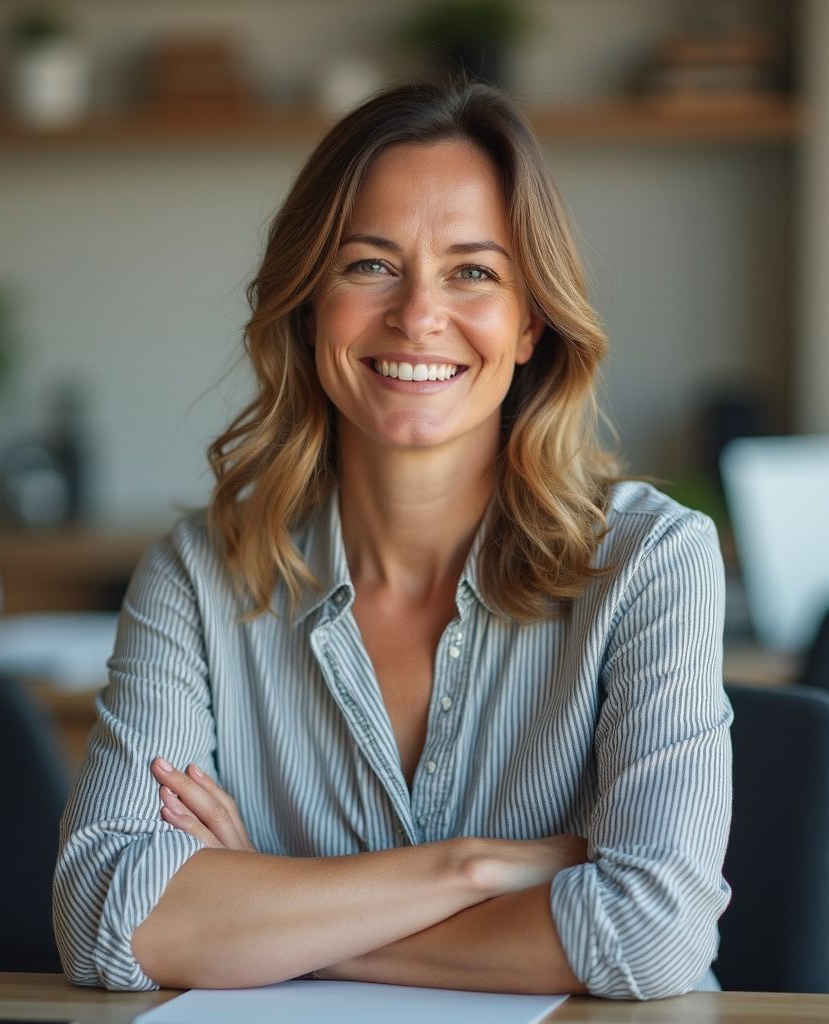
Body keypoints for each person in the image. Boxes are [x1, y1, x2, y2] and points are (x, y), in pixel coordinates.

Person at [54, 78, 732, 1001]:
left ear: (530, 321)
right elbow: (106, 917)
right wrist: (474, 871)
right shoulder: (199, 576)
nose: (418, 316)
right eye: (369, 265)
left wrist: (273, 920)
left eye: (473, 272)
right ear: (307, 302)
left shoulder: (650, 564)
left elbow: (650, 934)